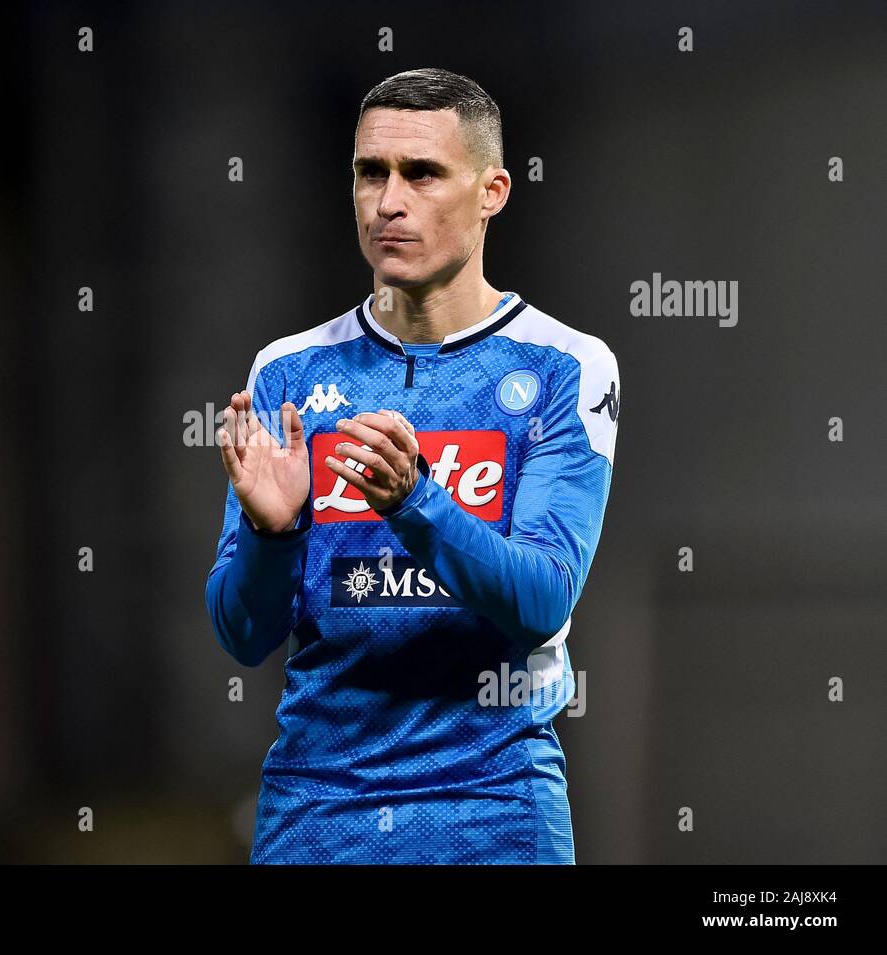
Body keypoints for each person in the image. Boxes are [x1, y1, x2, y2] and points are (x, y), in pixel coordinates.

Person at [205, 68, 621, 863]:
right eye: (371, 172)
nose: (387, 201)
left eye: (421, 173)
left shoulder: (567, 365)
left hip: (494, 810)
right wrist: (273, 532)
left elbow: (540, 598)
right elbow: (242, 633)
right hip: (317, 813)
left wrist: (415, 503)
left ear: (493, 190)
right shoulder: (287, 373)